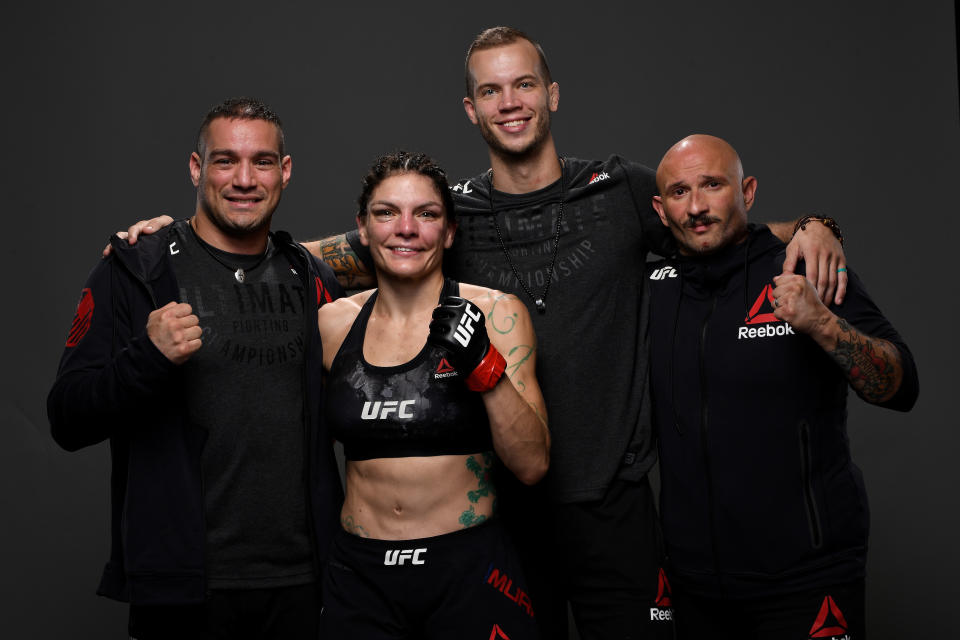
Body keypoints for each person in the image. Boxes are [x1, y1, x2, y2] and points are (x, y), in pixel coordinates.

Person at [115, 26, 848, 640]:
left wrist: (816, 226)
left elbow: (717, 228)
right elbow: (334, 248)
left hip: (610, 504)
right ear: (471, 109)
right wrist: (188, 235)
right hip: (502, 515)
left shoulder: (620, 191)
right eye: (492, 90)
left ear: (552, 95)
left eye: (524, 84)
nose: (511, 102)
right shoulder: (449, 215)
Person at [48, 98, 344, 640]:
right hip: (184, 587)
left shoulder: (311, 276)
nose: (245, 179)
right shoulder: (138, 269)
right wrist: (147, 358)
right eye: (225, 160)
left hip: (303, 582)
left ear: (286, 171)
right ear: (195, 168)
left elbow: (404, 239)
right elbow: (66, 419)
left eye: (262, 161)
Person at [646, 134, 919, 639]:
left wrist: (823, 324)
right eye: (680, 192)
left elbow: (900, 387)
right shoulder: (651, 289)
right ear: (661, 211)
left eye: (713, 185)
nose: (698, 206)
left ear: (747, 191)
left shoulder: (804, 268)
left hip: (806, 578)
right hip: (693, 586)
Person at [316, 151, 549, 639]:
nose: (406, 229)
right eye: (386, 213)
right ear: (362, 228)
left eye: (426, 214)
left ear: (448, 232)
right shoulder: (333, 325)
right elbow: (252, 260)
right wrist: (169, 236)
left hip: (468, 569)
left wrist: (485, 365)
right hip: (360, 575)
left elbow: (532, 465)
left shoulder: (496, 313)